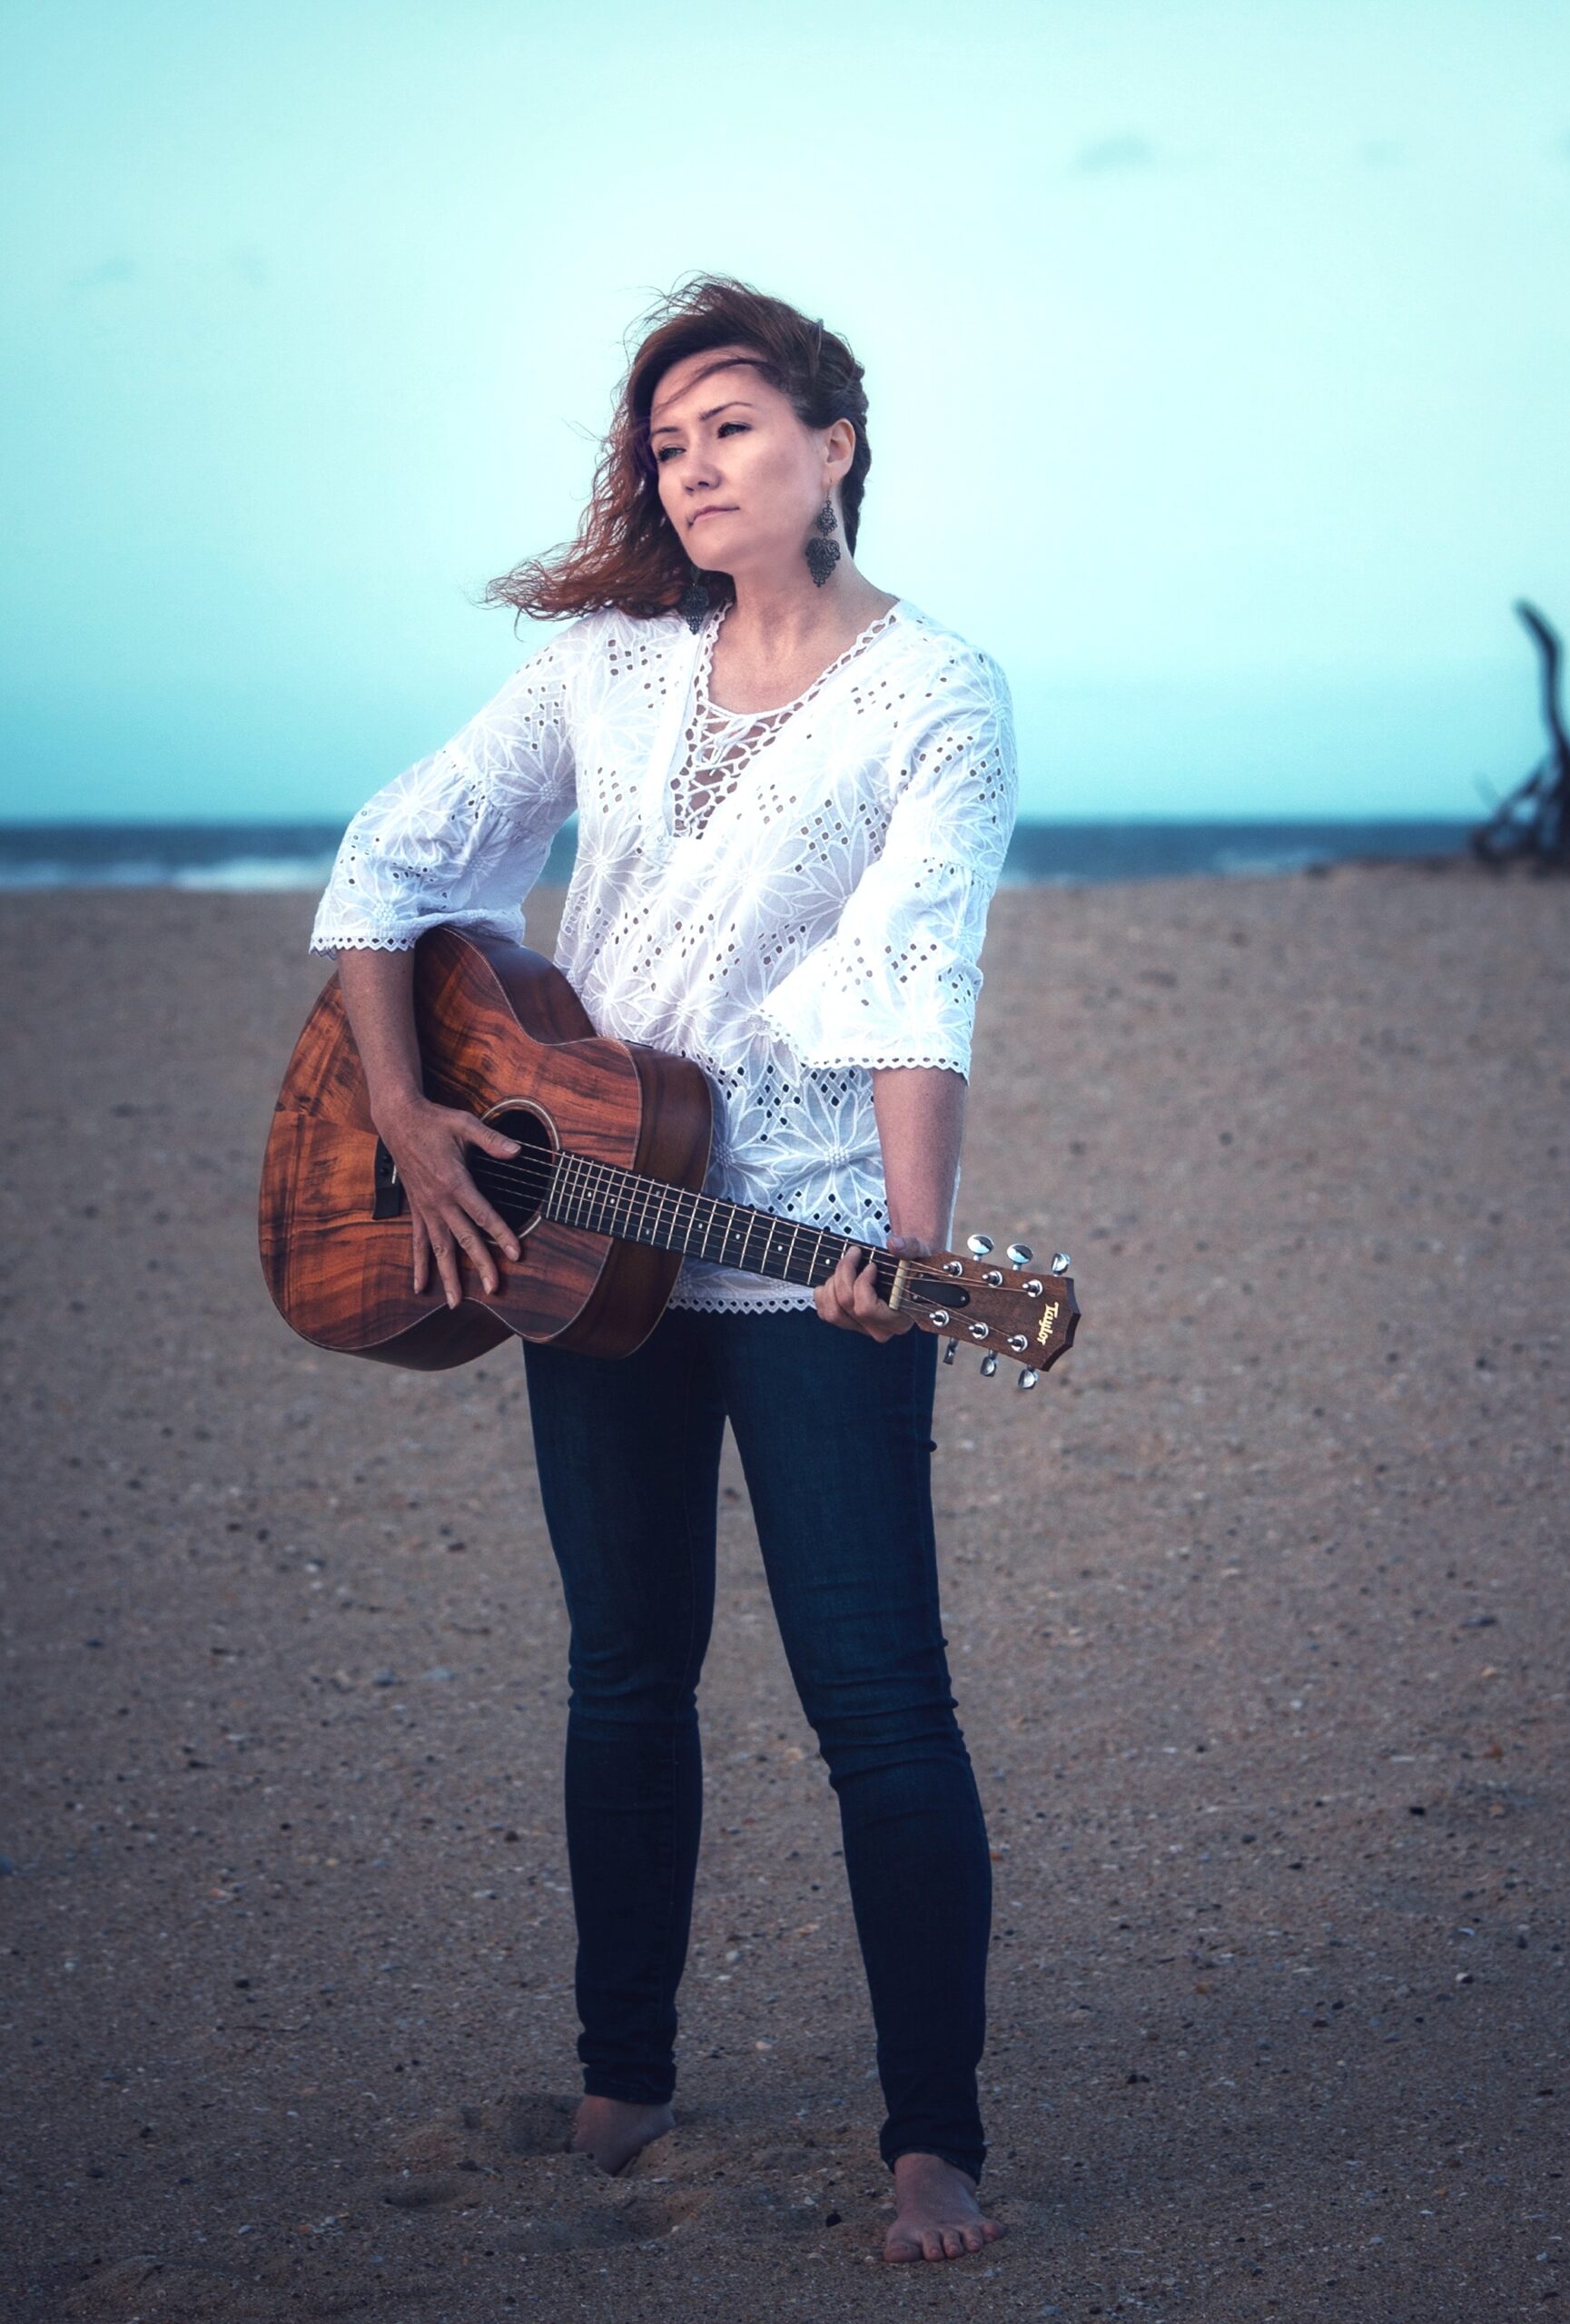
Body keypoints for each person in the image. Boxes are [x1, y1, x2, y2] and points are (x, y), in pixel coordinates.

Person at [309, 276, 1017, 2266]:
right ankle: (623, 2066)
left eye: (729, 426)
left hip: (795, 1243)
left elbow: (913, 966)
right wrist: (412, 1106)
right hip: (581, 1231)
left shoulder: (936, 693)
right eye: (666, 440)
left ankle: (930, 2138)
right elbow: (398, 858)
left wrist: (908, 1239)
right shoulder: (602, 668)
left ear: (834, 444)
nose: (689, 467)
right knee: (623, 1668)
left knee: (877, 1697)